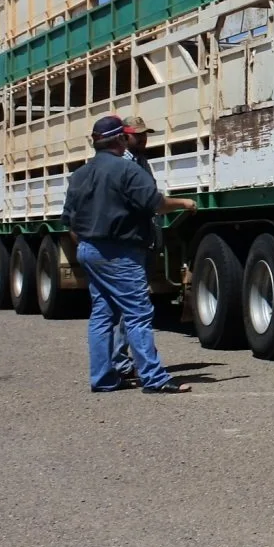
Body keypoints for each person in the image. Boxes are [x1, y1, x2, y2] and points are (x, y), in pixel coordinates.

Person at [64, 114, 195, 394]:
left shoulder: (79, 175)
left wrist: (89, 245)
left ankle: (103, 378)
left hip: (89, 249)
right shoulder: (127, 171)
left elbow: (69, 222)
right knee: (138, 313)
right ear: (121, 139)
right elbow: (155, 204)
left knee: (102, 315)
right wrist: (184, 202)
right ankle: (154, 378)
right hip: (120, 252)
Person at [106, 117, 162, 384]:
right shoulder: (124, 164)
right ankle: (124, 361)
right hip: (127, 241)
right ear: (124, 137)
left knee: (132, 305)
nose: (143, 139)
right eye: (137, 135)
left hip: (142, 238)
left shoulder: (141, 161)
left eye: (144, 134)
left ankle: (120, 359)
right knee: (132, 305)